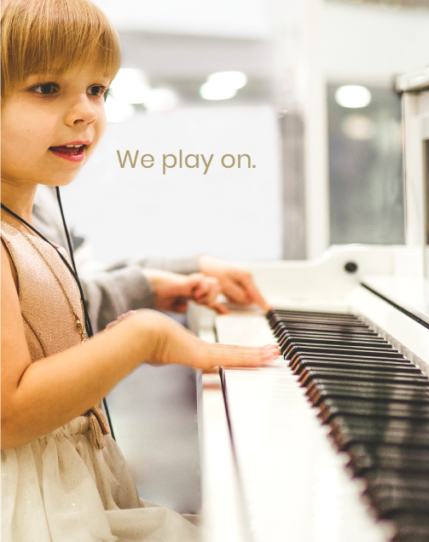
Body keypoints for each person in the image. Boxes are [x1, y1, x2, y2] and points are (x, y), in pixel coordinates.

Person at [0, 1, 279, 540]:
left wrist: (156, 283)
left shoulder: (30, 217)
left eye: (97, 89)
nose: (85, 112)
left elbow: (54, 302)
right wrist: (142, 336)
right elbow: (8, 414)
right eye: (47, 88)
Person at [33, 185, 272, 330]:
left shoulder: (41, 189)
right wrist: (146, 291)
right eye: (46, 96)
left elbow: (80, 278)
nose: (86, 113)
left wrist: (189, 268)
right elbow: (50, 311)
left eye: (96, 97)